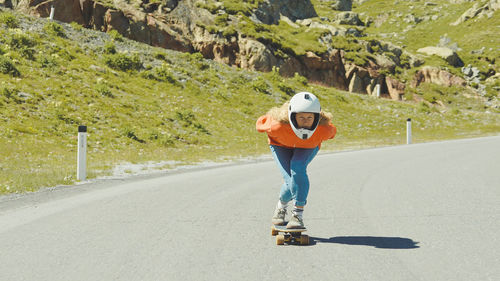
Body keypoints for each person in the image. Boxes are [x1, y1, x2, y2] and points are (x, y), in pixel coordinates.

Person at [256, 92, 337, 229]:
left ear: (316, 117)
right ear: (293, 116)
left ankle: (297, 215)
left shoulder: (324, 129)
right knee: (290, 180)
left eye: (310, 117)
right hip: (280, 145)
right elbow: (260, 124)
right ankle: (281, 207)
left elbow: (332, 132)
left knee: (297, 167)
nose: (305, 121)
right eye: (301, 117)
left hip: (307, 146)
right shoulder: (276, 126)